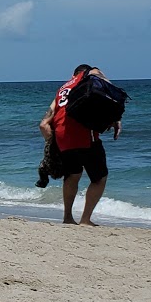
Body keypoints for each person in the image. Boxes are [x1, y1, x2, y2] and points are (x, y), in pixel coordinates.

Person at [39, 64, 121, 226]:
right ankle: (85, 219)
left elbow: (43, 124)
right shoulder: (89, 75)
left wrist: (51, 143)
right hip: (84, 136)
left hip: (63, 138)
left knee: (73, 175)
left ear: (72, 74)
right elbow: (109, 89)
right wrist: (116, 118)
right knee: (99, 178)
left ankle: (68, 218)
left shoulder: (63, 89)